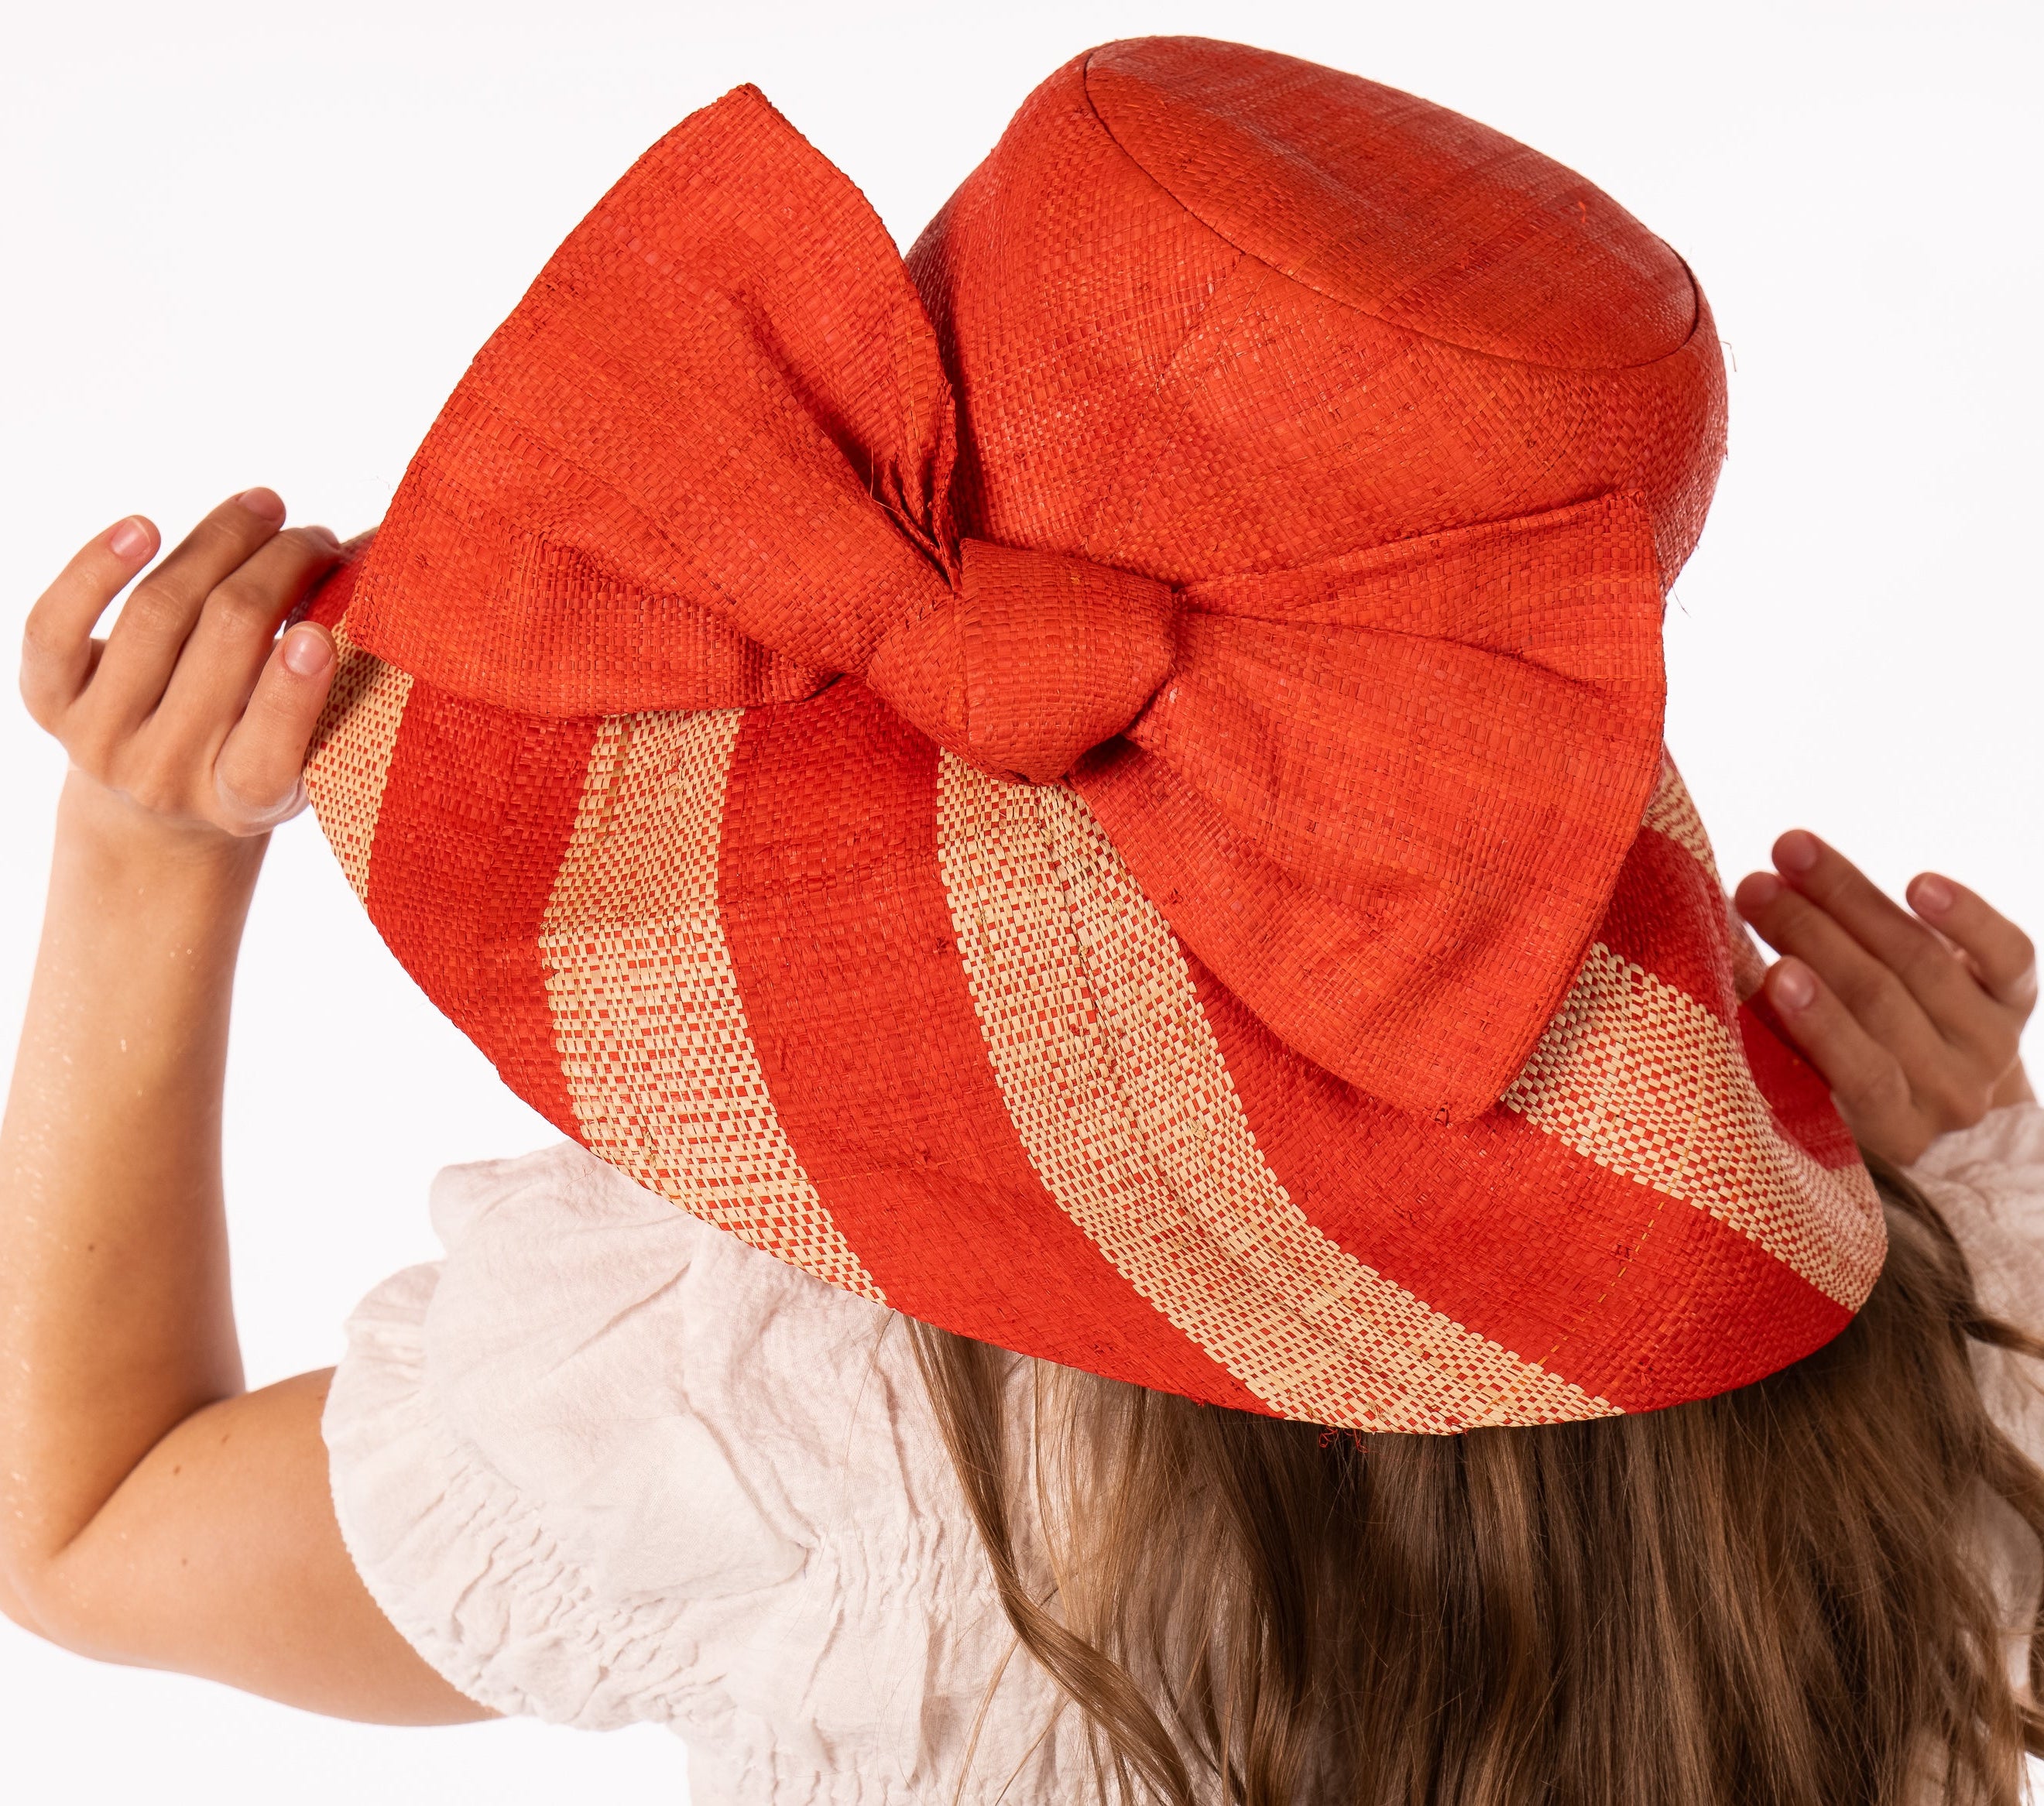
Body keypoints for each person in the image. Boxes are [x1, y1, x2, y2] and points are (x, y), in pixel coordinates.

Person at [2, 36, 2039, 1806]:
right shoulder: (1934, 1370)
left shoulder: (766, 1400)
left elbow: (92, 1530)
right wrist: (1961, 1176)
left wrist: (143, 858)